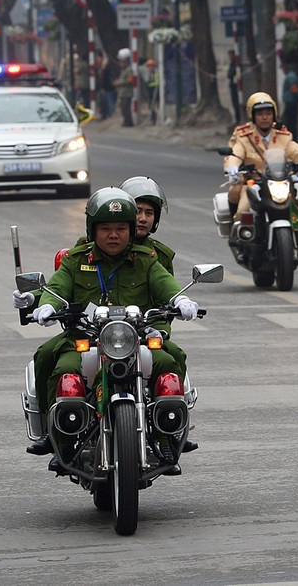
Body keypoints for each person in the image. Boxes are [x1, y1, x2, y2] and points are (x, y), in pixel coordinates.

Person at [24, 187, 201, 470]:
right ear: (93, 230)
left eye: (121, 228)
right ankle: (57, 434)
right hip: (84, 338)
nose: (114, 235)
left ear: (131, 231)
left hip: (136, 338)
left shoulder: (146, 259)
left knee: (172, 358)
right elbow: (57, 287)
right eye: (105, 228)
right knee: (51, 360)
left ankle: (167, 432)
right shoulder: (76, 260)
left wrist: (180, 299)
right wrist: (46, 305)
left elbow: (163, 283)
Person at [223, 92, 298, 225]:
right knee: (242, 212)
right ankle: (240, 232)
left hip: (280, 181)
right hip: (254, 183)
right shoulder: (245, 137)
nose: (264, 118)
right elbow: (236, 154)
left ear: (274, 115)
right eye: (260, 114)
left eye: (268, 113)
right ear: (253, 116)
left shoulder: (283, 136)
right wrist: (232, 167)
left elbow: (296, 150)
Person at [115, 48, 136, 127]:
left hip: (127, 93)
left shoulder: (129, 70)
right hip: (122, 93)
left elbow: (130, 80)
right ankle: (126, 121)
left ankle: (128, 122)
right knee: (123, 108)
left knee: (126, 109)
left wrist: (120, 82)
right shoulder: (123, 70)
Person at [99, 50, 119, 121]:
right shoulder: (110, 69)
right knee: (110, 100)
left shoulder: (105, 70)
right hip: (110, 87)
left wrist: (103, 87)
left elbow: (103, 79)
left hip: (108, 87)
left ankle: (112, 113)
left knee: (110, 100)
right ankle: (110, 112)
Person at [281, 62, 298, 133]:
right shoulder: (291, 76)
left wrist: (297, 97)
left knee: (290, 122)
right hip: (291, 101)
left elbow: (294, 88)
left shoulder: (291, 77)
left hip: (291, 102)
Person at [227, 50, 242, 124]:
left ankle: (238, 118)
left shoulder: (236, 64)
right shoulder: (232, 63)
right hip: (232, 85)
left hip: (236, 86)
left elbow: (232, 73)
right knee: (234, 103)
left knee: (237, 103)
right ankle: (237, 118)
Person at [145, 58, 159, 125]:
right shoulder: (149, 73)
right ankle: (152, 119)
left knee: (155, 106)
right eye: (148, 66)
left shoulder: (156, 73)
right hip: (150, 92)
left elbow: (156, 83)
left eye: (151, 66)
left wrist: (149, 84)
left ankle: (156, 119)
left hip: (155, 91)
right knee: (151, 106)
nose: (150, 67)